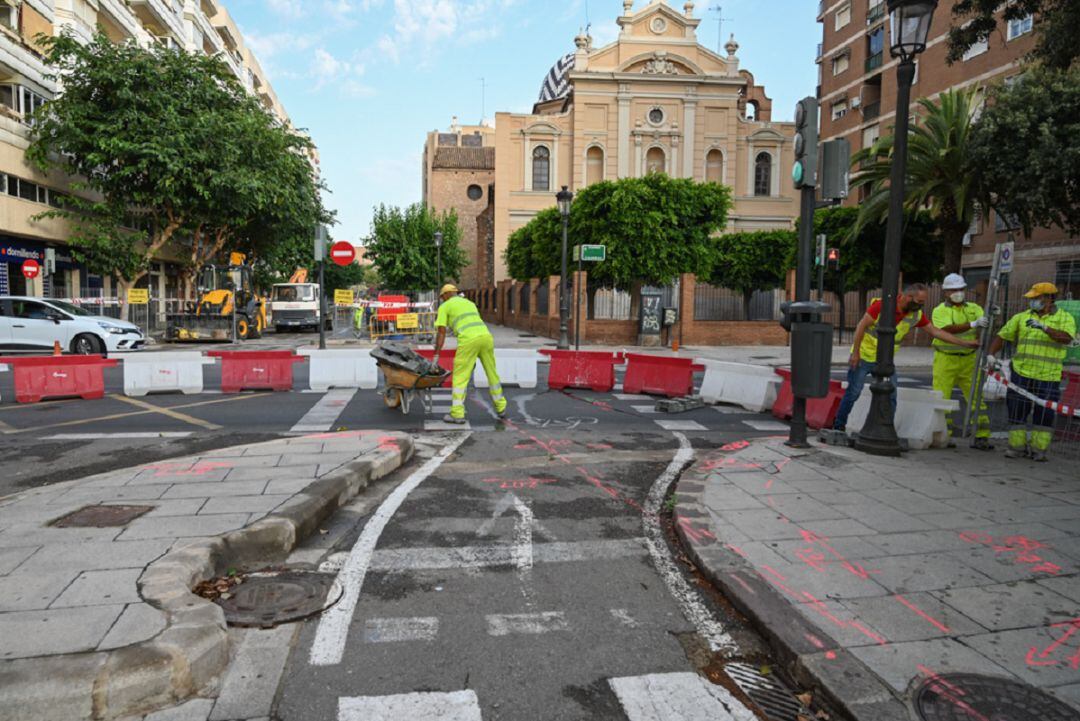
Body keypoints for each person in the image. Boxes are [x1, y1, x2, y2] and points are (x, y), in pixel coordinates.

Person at [833, 283, 980, 432]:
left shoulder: (915, 314)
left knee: (891, 394)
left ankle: (886, 428)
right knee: (853, 392)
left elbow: (936, 332)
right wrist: (855, 353)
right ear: (908, 297)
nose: (922, 305)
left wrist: (965, 343)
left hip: (886, 360)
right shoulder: (882, 306)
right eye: (920, 301)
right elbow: (861, 326)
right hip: (864, 356)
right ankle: (838, 425)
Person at [987, 282, 1077, 462]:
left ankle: (1038, 450)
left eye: (1037, 298)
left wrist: (1044, 328)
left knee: (1044, 414)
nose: (1033, 301)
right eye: (1032, 298)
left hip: (1048, 375)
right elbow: (1003, 336)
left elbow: (1066, 338)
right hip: (1021, 373)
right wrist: (991, 354)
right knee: (1017, 411)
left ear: (1049, 299)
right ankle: (1016, 448)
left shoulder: (1064, 318)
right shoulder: (1021, 317)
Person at [931, 273, 993, 449]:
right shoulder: (940, 310)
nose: (958, 292)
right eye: (954, 290)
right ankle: (943, 435)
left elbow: (986, 326)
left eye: (961, 289)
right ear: (945, 292)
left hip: (969, 360)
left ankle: (981, 436)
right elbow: (947, 329)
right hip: (945, 359)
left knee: (976, 398)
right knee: (942, 399)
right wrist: (973, 324)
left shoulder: (974, 308)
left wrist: (992, 318)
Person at [433, 284, 507, 424]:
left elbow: (441, 332)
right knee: (492, 373)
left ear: (447, 294)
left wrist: (436, 355)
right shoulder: (470, 303)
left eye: (442, 297)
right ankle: (501, 407)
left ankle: (457, 413)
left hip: (468, 341)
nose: (442, 300)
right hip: (486, 337)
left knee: (461, 377)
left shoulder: (445, 306)